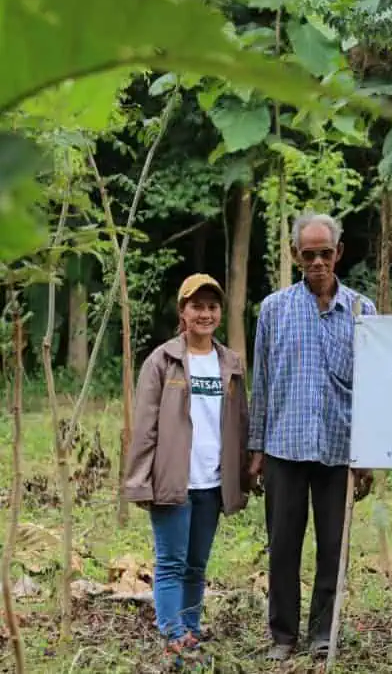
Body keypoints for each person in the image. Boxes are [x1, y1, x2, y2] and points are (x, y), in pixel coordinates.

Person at [248, 212, 376, 661]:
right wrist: (256, 448)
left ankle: (324, 632)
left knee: (333, 547)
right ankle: (282, 636)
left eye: (326, 253)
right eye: (309, 254)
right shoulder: (273, 309)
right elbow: (261, 382)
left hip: (340, 449)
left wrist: (369, 452)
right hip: (284, 446)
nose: (318, 262)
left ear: (338, 253)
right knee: (282, 545)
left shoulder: (364, 311)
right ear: (295, 256)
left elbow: (373, 387)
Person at [124, 274, 251, 666]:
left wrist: (245, 472)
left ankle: (190, 631)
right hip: (173, 479)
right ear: (183, 311)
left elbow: (240, 422)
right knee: (171, 563)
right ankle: (173, 637)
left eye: (212, 306)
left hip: (212, 482)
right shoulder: (163, 361)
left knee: (196, 565)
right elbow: (144, 426)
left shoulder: (229, 362)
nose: (205, 313)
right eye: (197, 306)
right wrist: (139, 480)